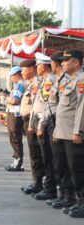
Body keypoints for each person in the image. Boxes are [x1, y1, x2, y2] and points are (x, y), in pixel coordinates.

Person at [52, 50, 84, 218]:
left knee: (78, 168)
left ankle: (82, 201)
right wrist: (57, 130)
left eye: (66, 61)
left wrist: (78, 131)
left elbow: (81, 107)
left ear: (76, 63)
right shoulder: (71, 80)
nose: (62, 63)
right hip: (64, 131)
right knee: (69, 167)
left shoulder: (81, 79)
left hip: (73, 132)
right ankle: (76, 200)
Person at [44, 51, 76, 209]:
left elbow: (77, 108)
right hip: (58, 125)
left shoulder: (74, 80)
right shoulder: (62, 80)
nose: (62, 63)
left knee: (70, 164)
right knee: (59, 162)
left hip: (67, 128)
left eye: (66, 61)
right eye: (61, 61)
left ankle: (71, 196)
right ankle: (64, 193)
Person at [28, 53, 57, 200]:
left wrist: (39, 125)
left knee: (48, 158)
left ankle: (50, 188)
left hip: (45, 123)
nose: (36, 68)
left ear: (44, 66)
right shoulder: (46, 81)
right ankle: (47, 186)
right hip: (42, 122)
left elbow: (47, 106)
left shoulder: (49, 81)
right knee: (45, 157)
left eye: (38, 65)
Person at [20, 59, 44, 195]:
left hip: (33, 122)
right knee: (34, 153)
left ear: (30, 69)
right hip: (29, 121)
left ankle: (39, 182)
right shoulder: (31, 84)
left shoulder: (37, 83)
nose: (22, 72)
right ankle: (36, 181)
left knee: (36, 154)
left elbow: (37, 106)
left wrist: (33, 124)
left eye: (23, 70)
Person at [3, 66, 25, 172]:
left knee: (15, 138)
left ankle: (18, 163)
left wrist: (5, 98)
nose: (11, 79)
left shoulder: (20, 85)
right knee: (13, 138)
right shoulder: (17, 85)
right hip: (12, 114)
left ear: (16, 75)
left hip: (15, 115)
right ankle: (16, 161)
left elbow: (15, 100)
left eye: (12, 77)